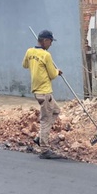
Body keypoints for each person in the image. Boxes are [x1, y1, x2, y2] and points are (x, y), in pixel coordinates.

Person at [22, 29, 63, 160]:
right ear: (45, 40)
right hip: (45, 92)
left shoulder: (30, 51)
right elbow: (52, 74)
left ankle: (40, 137)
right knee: (46, 119)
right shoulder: (46, 55)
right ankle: (44, 149)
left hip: (37, 91)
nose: (51, 44)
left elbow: (25, 65)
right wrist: (57, 71)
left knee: (56, 111)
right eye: (50, 41)